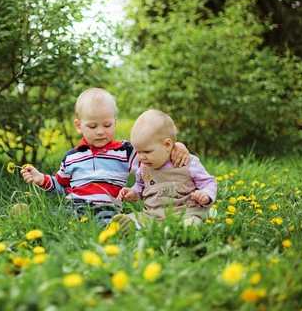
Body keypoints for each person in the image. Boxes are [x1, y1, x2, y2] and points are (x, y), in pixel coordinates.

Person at [20, 88, 191, 227]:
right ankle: (28, 217)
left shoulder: (126, 151)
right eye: (93, 126)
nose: (100, 131)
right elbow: (61, 186)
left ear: (115, 122)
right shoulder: (72, 157)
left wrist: (177, 146)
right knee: (57, 217)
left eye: (107, 125)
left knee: (108, 224)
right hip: (75, 205)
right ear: (79, 126)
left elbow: (154, 158)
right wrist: (40, 178)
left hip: (107, 206)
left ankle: (126, 227)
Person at [112, 109, 216, 231]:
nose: (141, 157)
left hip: (184, 214)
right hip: (152, 216)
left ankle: (179, 230)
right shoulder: (144, 168)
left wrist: (206, 195)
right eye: (138, 152)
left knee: (191, 223)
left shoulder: (186, 163)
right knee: (135, 217)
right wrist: (134, 193)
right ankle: (130, 226)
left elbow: (209, 182)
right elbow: (140, 186)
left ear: (167, 145)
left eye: (147, 151)